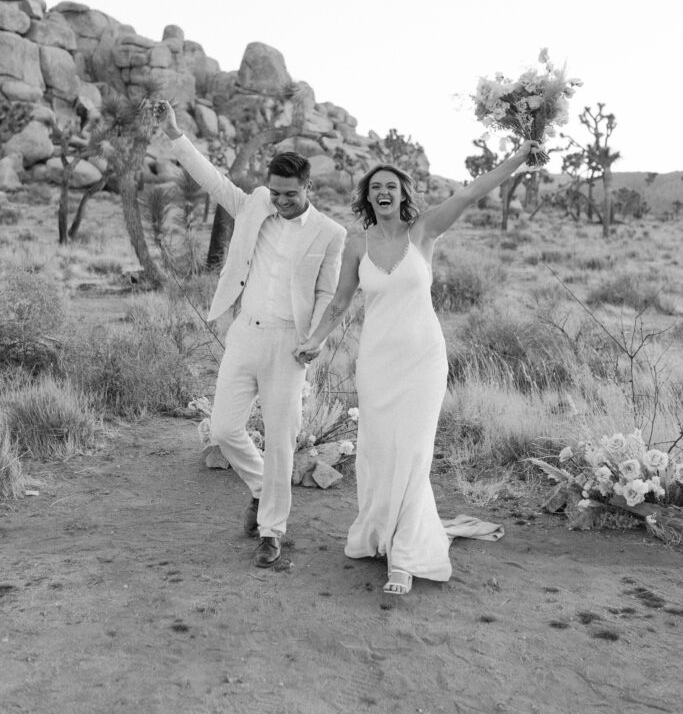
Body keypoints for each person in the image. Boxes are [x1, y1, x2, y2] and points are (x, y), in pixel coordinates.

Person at [294, 141, 539, 595]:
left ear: (403, 194)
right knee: (378, 452)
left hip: (423, 360)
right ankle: (379, 534)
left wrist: (521, 156)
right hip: (377, 361)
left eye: (392, 186)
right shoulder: (355, 245)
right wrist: (314, 340)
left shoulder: (424, 231)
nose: (383, 191)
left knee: (411, 453)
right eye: (376, 187)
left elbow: (470, 193)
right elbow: (341, 302)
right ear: (367, 197)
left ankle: (405, 556)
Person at [155, 101, 346, 568]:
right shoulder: (256, 204)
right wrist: (178, 136)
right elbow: (215, 180)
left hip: (290, 346)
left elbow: (327, 292)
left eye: (289, 194)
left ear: (308, 187)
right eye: (275, 192)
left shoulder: (329, 232)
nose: (280, 201)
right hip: (245, 335)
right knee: (223, 428)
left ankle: (272, 531)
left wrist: (315, 339)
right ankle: (262, 489)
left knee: (282, 440)